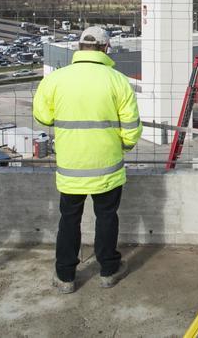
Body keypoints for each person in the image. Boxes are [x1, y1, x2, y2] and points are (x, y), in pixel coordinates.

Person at [33, 26, 141, 293]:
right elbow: (131, 126)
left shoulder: (57, 79)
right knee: (106, 217)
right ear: (106, 49)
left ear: (79, 48)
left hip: (71, 167)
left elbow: (43, 117)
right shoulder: (117, 80)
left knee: (69, 219)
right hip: (108, 167)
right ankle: (108, 270)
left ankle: (65, 276)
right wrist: (124, 146)